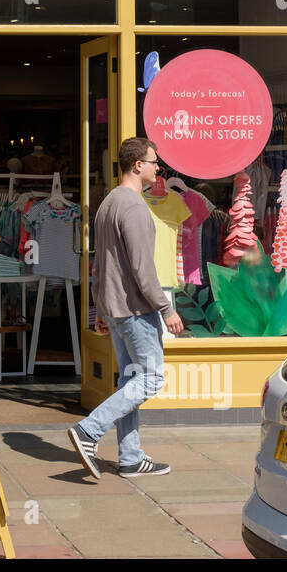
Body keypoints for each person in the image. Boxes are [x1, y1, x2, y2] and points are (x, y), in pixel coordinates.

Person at [68, 137, 185, 480]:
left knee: (131, 381)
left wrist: (102, 307)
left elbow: (101, 265)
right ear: (137, 165)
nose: (157, 167)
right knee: (149, 379)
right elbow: (142, 268)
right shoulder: (132, 206)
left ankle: (130, 457)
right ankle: (89, 430)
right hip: (135, 309)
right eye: (153, 162)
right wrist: (166, 308)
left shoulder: (108, 203)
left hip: (116, 309)